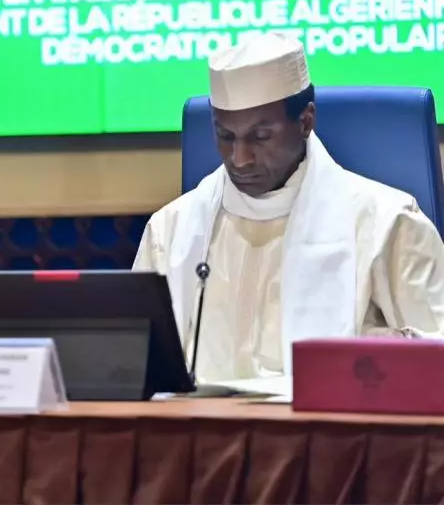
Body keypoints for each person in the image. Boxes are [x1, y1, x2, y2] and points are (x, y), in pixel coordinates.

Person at [133, 32, 444, 383]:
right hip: (199, 433)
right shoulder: (171, 230)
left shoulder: (387, 223)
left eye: (260, 137)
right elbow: (131, 363)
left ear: (306, 121)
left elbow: (435, 363)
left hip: (331, 433)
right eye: (225, 136)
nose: (240, 158)